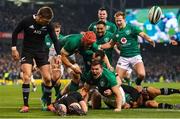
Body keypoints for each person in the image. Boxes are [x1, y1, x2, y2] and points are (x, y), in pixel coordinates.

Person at [11, 6, 61, 113]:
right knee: (26, 76)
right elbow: (15, 32)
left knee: (48, 78)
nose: (47, 23)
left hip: (41, 52)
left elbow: (55, 40)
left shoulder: (48, 25)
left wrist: (59, 54)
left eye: (49, 21)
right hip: (27, 51)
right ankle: (25, 105)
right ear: (39, 16)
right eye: (45, 20)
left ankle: (48, 104)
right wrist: (14, 49)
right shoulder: (27, 21)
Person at [100, 11, 155, 86]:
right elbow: (110, 44)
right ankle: (120, 95)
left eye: (120, 20)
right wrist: (99, 46)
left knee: (142, 74)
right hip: (123, 58)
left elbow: (142, 34)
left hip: (135, 56)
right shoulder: (116, 33)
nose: (118, 22)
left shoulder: (131, 28)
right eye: (117, 21)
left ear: (124, 20)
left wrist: (149, 40)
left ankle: (137, 83)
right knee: (117, 81)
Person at [41, 22, 64, 110]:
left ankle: (58, 96)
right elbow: (42, 52)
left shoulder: (63, 39)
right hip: (47, 62)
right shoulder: (45, 38)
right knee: (46, 80)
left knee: (57, 81)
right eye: (54, 31)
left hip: (59, 62)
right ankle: (45, 100)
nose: (56, 33)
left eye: (58, 31)